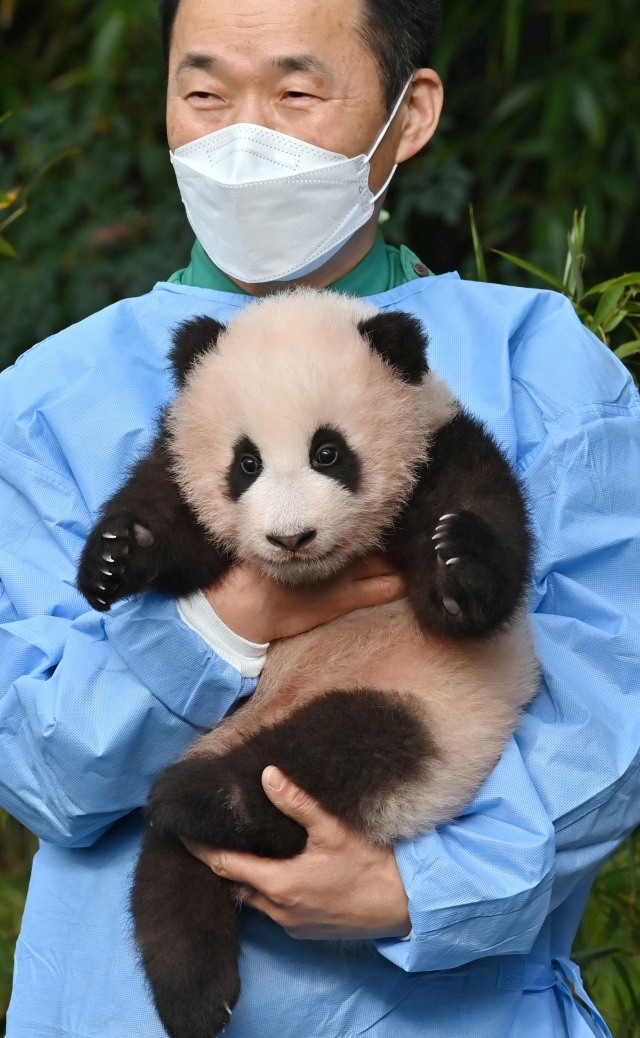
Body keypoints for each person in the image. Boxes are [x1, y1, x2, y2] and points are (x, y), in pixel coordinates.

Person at [1, 0, 639, 1034]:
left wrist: (424, 888)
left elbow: (612, 702)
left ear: (410, 112)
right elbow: (42, 762)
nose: (242, 138)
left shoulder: (540, 372)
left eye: (296, 93)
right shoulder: (49, 398)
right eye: (203, 93)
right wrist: (234, 615)